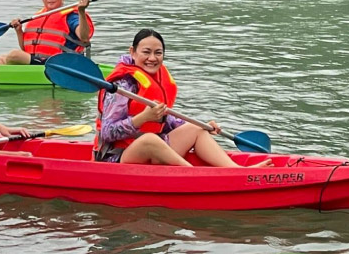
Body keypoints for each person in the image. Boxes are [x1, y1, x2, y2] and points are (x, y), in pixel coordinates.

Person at [94, 29, 274, 168]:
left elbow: (168, 119)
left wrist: (204, 126)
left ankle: (235, 170)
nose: (152, 58)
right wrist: (143, 118)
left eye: (158, 53)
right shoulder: (122, 86)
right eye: (146, 52)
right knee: (150, 139)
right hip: (118, 156)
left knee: (195, 129)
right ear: (133, 52)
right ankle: (192, 174)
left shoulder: (157, 77)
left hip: (155, 150)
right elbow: (107, 132)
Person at [0, 0, 93, 65]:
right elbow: (25, 48)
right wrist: (19, 31)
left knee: (14, 55)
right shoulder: (39, 16)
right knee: (2, 58)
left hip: (59, 64)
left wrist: (81, 12)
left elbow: (84, 37)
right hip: (39, 61)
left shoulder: (71, 17)